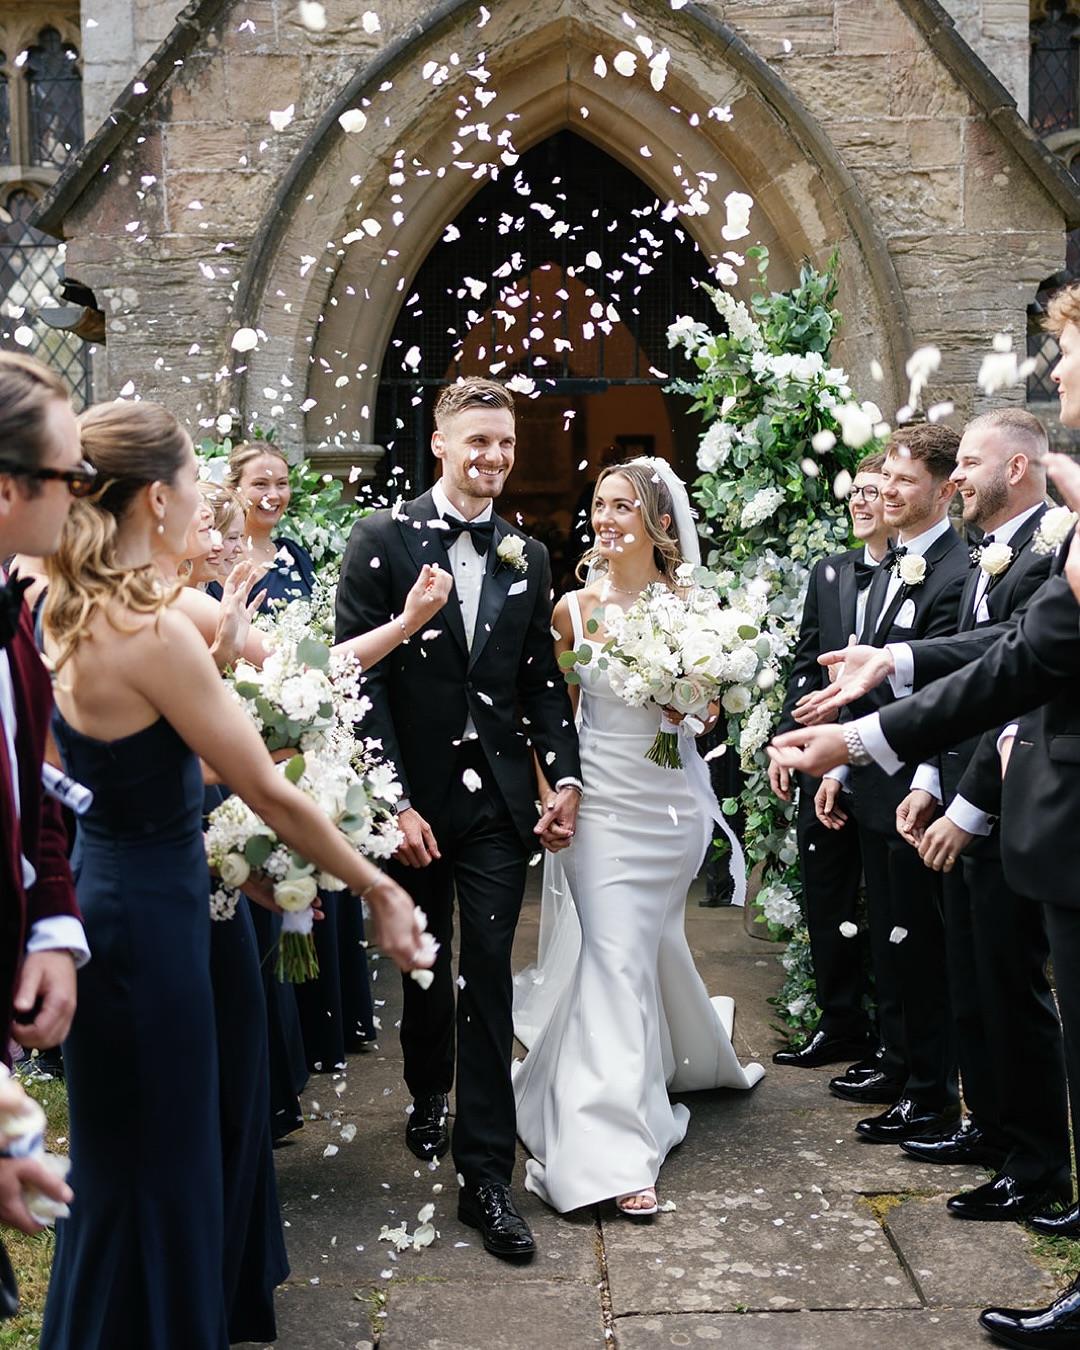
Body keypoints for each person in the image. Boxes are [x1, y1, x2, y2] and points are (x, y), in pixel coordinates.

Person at [37, 399, 428, 1350]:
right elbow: (269, 789)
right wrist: (378, 886)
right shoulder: (152, 629)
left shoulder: (59, 608)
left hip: (102, 898)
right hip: (154, 919)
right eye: (190, 482)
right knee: (167, 1162)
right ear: (155, 498)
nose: (200, 500)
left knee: (116, 1165)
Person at [768, 277, 1080, 1348]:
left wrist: (879, 740)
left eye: (1069, 349)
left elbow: (1026, 664)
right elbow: (1013, 651)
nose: (1056, 368)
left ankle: (1030, 1162)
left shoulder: (1055, 535)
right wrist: (887, 682)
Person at [335, 376, 582, 1261]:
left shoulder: (528, 552)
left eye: (505, 443)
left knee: (488, 976)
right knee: (427, 966)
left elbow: (538, 680)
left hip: (499, 803)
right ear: (439, 443)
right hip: (414, 797)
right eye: (478, 441)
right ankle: (425, 1087)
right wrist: (393, 800)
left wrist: (565, 779)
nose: (494, 458)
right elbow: (358, 683)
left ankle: (486, 1177)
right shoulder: (381, 538)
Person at [512, 459, 764, 1217]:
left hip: (669, 809)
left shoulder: (691, 608)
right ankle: (610, 1149)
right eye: (600, 504)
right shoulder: (572, 611)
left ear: (657, 522)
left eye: (623, 506)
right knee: (615, 958)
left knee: (640, 952)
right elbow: (549, 717)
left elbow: (711, 710)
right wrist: (551, 792)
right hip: (599, 807)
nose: (606, 518)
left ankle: (662, 1057)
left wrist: (693, 702)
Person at [886, 411, 1068, 1224]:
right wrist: (929, 777)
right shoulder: (984, 555)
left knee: (1011, 992)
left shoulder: (1052, 553)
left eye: (966, 461)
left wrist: (968, 808)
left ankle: (1036, 1164)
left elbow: (1019, 692)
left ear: (1017, 468)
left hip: (1009, 805)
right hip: (958, 793)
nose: (955, 476)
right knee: (970, 982)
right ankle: (990, 1129)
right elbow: (963, 690)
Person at [818, 424, 968, 1144]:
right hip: (875, 778)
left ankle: (930, 1093)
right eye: (887, 479)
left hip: (917, 787)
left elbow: (947, 692)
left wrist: (927, 778)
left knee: (921, 947)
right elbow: (866, 686)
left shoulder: (953, 570)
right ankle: (899, 1063)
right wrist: (842, 763)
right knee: (890, 938)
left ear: (944, 491)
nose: (888, 492)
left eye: (905, 481)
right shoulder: (895, 561)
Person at [0, 352, 86, 1237]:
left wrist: (54, 925)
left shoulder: (15, 610)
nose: (82, 493)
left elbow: (38, 793)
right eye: (69, 474)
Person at [768, 450, 888, 1069]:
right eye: (856, 491)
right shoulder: (831, 572)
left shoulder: (919, 572)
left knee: (891, 906)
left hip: (888, 762)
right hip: (822, 756)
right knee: (826, 895)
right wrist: (791, 740)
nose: (861, 501)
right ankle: (840, 1024)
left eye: (874, 490)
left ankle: (894, 1042)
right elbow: (806, 664)